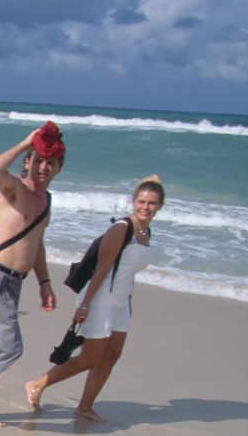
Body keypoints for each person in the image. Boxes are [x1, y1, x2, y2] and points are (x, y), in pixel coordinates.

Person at [26, 176, 165, 423]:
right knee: (90, 358)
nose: (146, 207)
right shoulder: (122, 228)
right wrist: (85, 304)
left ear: (160, 206)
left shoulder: (146, 231)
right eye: (141, 201)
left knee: (112, 356)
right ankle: (38, 383)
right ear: (133, 202)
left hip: (121, 302)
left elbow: (127, 271)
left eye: (152, 203)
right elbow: (102, 269)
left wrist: (128, 301)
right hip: (99, 299)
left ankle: (85, 407)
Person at [0, 122, 64, 422]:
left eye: (51, 163)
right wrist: (26, 142)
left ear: (59, 167)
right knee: (8, 348)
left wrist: (45, 282)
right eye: (38, 160)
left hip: (14, 283)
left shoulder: (45, 202)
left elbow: (37, 243)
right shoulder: (16, 190)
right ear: (27, 162)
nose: (43, 167)